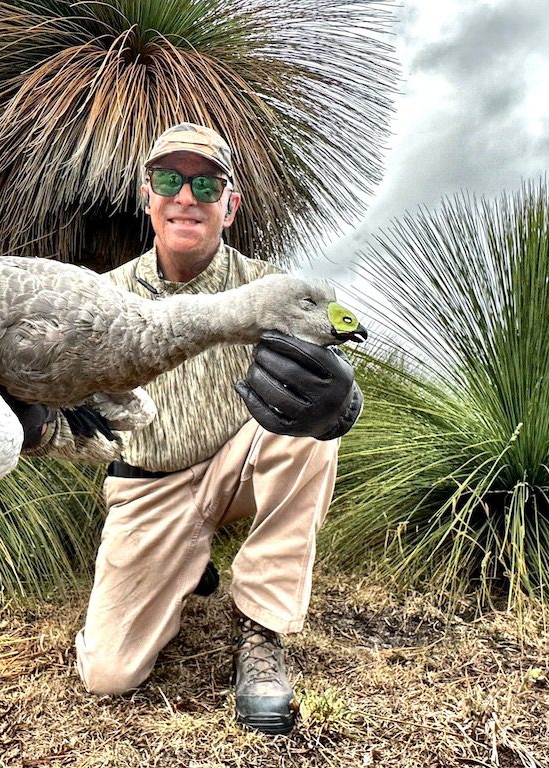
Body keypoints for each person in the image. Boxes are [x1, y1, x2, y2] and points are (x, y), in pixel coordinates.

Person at [36, 123, 362, 735]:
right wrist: (35, 425)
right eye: (169, 180)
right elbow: (70, 418)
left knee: (306, 424)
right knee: (109, 674)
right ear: (146, 197)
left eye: (206, 184)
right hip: (147, 486)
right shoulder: (101, 298)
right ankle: (187, 567)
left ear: (229, 204)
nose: (186, 196)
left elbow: (332, 370)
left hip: (240, 464)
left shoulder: (275, 290)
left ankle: (262, 633)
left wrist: (343, 403)